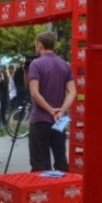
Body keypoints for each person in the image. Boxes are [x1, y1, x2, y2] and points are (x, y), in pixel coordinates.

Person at [27, 32, 76, 172]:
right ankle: (63, 184)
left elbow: (34, 93)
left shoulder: (36, 64)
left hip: (40, 118)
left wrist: (50, 110)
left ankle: (43, 185)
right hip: (60, 119)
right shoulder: (64, 65)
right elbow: (72, 92)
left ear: (40, 45)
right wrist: (61, 110)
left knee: (40, 162)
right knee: (60, 158)